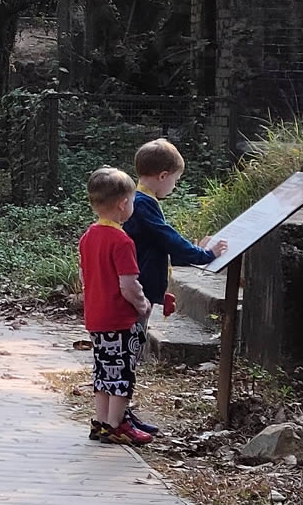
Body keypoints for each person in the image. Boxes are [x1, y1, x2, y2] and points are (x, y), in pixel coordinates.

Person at [121, 137, 228, 435]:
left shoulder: (140, 200)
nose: (175, 187)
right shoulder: (143, 204)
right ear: (163, 176)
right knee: (129, 354)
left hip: (145, 288)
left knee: (132, 352)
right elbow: (169, 239)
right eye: (176, 180)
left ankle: (123, 413)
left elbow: (156, 247)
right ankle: (119, 416)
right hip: (137, 293)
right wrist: (206, 254)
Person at [78, 166, 154, 445]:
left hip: (96, 318)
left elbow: (84, 274)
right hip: (120, 320)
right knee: (122, 373)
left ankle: (101, 422)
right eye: (133, 201)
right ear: (123, 204)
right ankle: (117, 424)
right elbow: (128, 285)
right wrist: (143, 304)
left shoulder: (88, 236)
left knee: (102, 371)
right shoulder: (122, 241)